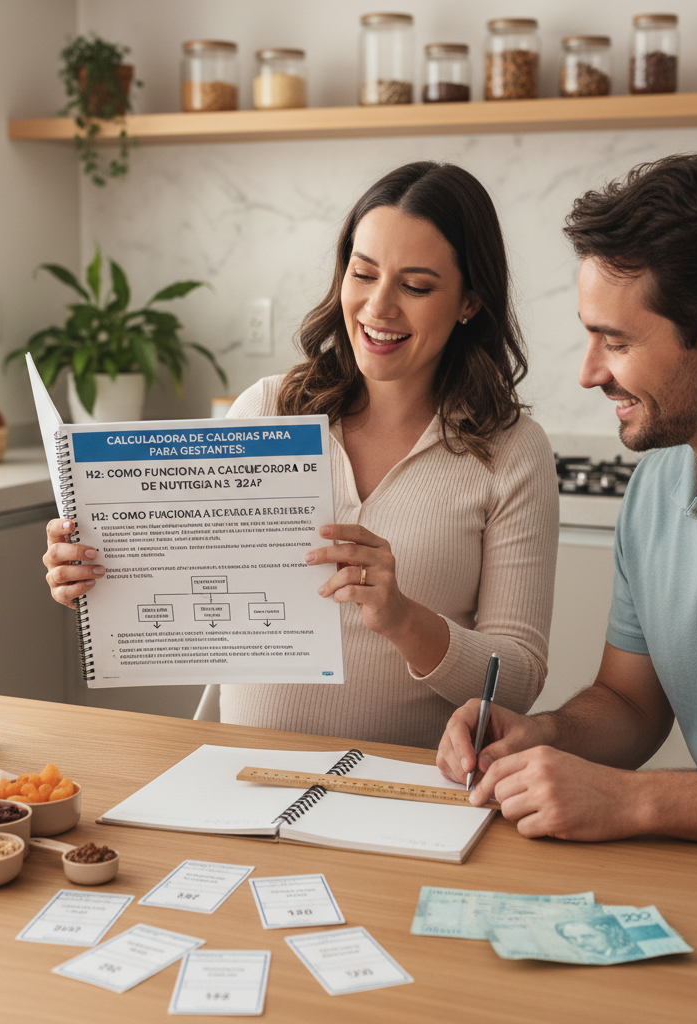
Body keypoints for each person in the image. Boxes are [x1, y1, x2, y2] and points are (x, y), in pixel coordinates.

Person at [44, 161, 559, 748]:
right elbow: (186, 584)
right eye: (363, 274)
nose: (379, 307)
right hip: (245, 769)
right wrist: (98, 571)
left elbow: (517, 681)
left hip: (416, 789)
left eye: (415, 286)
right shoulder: (270, 409)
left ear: (470, 302)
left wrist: (402, 618)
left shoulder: (512, 451)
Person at [438, 152, 697, 849]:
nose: (588, 373)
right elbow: (631, 703)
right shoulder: (657, 487)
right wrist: (541, 734)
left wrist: (636, 801)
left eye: (615, 340)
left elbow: (637, 792)